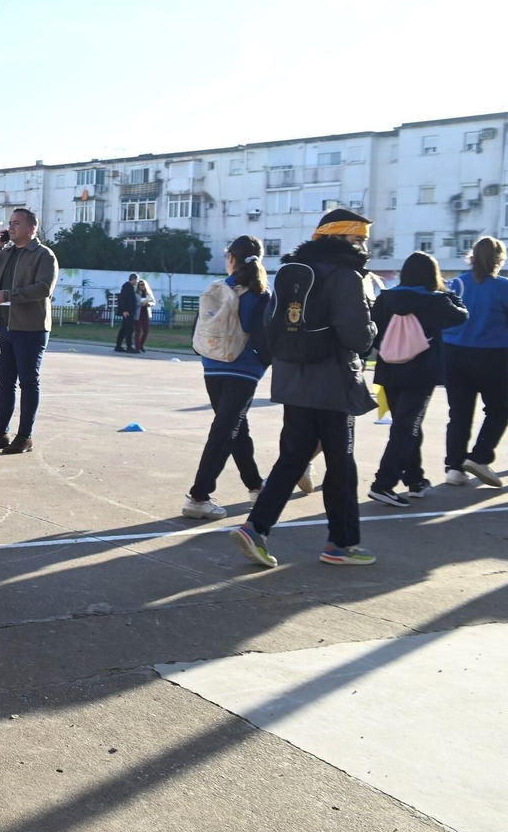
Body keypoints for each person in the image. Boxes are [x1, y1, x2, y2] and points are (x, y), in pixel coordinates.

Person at [232, 208, 378, 569]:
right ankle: (341, 545)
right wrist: (373, 330)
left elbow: (270, 324)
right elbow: (357, 336)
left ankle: (256, 528)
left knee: (293, 457)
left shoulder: (290, 273)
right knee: (341, 463)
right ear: (340, 237)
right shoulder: (347, 276)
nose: (362, 245)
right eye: (357, 238)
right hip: (333, 381)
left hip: (292, 379)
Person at [367, 252, 466, 505]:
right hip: (421, 371)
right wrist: (447, 291)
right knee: (406, 426)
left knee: (405, 424)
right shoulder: (436, 301)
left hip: (389, 368)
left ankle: (415, 479)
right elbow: (462, 315)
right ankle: (384, 482)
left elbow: (373, 332)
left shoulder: (386, 298)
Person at [182, 236, 270, 519]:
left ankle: (256, 486)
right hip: (243, 369)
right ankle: (198, 496)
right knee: (225, 430)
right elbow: (263, 335)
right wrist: (264, 361)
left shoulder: (217, 289)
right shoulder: (260, 292)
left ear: (231, 257)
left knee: (234, 428)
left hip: (212, 366)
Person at [0, 207, 59, 454]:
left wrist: (8, 295)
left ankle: (25, 436)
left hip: (30, 328)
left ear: (32, 228)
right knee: (5, 382)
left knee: (29, 382)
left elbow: (44, 288)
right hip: (3, 325)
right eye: (10, 223)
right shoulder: (6, 253)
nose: (11, 227)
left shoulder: (44, 256)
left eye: (17, 224)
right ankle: (0, 433)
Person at [440, 237, 508, 487]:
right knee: (499, 410)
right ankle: (480, 457)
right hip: (492, 354)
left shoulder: (455, 284)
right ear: (500, 259)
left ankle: (454, 467)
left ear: (471, 256)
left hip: (453, 352)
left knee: (459, 413)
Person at [114, 274, 139, 353]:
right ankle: (129, 346)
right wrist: (124, 310)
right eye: (136, 280)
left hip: (129, 311)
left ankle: (118, 345)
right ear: (133, 279)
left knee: (124, 329)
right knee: (129, 329)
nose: (137, 282)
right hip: (128, 312)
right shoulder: (127, 286)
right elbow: (122, 298)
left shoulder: (130, 287)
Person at [134, 278, 156, 352]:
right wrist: (140, 304)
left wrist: (149, 304)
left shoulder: (148, 293)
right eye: (140, 285)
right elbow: (134, 303)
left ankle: (141, 345)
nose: (142, 286)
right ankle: (137, 347)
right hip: (138, 314)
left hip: (146, 313)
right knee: (138, 331)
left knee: (146, 331)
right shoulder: (136, 293)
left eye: (143, 284)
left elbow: (154, 302)